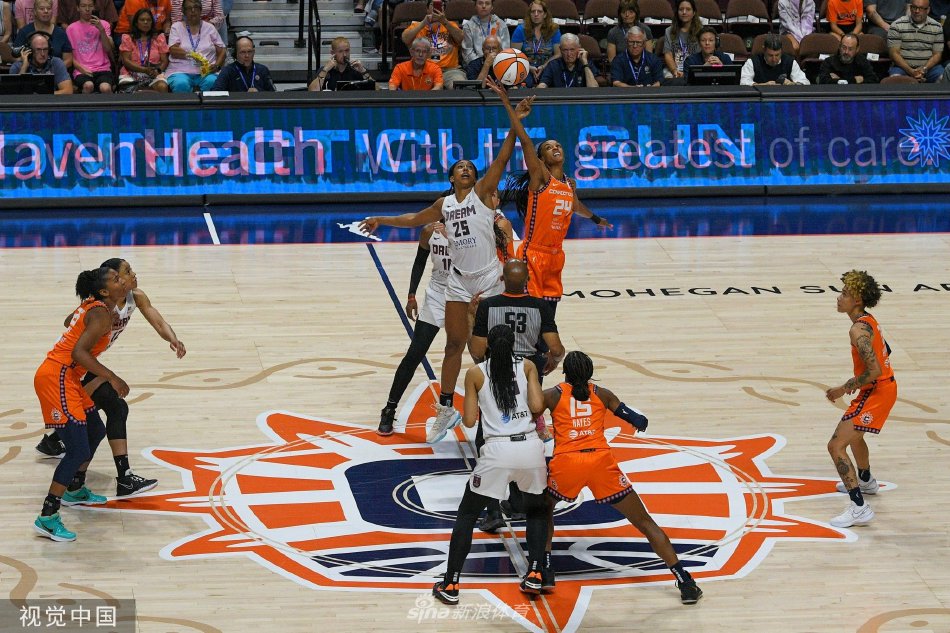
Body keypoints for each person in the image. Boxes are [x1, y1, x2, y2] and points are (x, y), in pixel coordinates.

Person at [360, 82, 532, 444]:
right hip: (455, 281)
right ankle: (445, 408)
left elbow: (503, 156)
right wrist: (381, 220)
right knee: (453, 345)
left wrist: (510, 110)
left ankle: (503, 413)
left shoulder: (485, 193)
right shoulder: (444, 205)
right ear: (452, 177)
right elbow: (414, 219)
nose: (467, 169)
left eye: (471, 166)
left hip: (488, 280)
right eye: (461, 168)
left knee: (485, 351)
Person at [541, 350, 703, 604]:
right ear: (591, 373)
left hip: (568, 462)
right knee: (644, 521)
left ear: (566, 373)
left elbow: (529, 411)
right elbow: (636, 419)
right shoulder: (602, 395)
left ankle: (546, 570)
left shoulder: (552, 395)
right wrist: (638, 420)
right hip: (601, 463)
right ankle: (685, 581)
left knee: (543, 511)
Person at [37, 259, 185, 498]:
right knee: (115, 408)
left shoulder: (134, 297)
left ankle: (57, 444)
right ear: (108, 286)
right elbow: (71, 326)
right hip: (75, 367)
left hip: (84, 366)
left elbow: (157, 320)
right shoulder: (100, 309)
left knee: (93, 423)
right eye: (124, 273)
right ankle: (123, 478)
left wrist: (173, 339)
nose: (132, 274)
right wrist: (96, 320)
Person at [431, 324, 548, 604]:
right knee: (536, 511)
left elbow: (470, 421)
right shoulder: (528, 366)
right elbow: (537, 405)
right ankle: (535, 573)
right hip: (530, 448)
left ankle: (450, 584)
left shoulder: (475, 373)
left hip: (497, 450)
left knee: (468, 515)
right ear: (514, 345)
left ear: (489, 347)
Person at [377, 208, 514, 436]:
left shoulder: (474, 233)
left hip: (467, 294)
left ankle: (495, 414)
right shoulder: (429, 231)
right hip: (439, 293)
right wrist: (411, 295)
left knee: (481, 355)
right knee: (416, 352)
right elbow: (419, 262)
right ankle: (390, 409)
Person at [32, 268, 130, 542]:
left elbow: (69, 322)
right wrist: (111, 377)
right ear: (103, 292)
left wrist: (84, 312)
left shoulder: (96, 307)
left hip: (68, 377)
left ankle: (75, 489)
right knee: (76, 450)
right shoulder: (100, 312)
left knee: (95, 430)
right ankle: (48, 516)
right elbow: (78, 352)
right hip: (57, 377)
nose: (122, 280)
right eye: (115, 279)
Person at [468, 259, 566, 533]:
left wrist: (469, 318)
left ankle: (493, 510)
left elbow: (477, 352)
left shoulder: (488, 306)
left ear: (502, 279)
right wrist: (552, 361)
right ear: (527, 281)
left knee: (489, 436)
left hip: (496, 377)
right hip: (528, 376)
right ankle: (518, 499)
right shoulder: (540, 306)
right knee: (524, 433)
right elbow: (556, 348)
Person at [501, 94, 611, 310]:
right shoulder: (541, 176)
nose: (556, 148)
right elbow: (525, 143)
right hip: (533, 254)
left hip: (556, 255)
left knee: (549, 316)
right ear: (541, 159)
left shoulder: (570, 183)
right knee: (533, 316)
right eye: (549, 147)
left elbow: (575, 206)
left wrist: (596, 219)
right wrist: (514, 113)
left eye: (558, 145)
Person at [824, 270, 896, 528]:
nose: (839, 297)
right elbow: (886, 352)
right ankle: (865, 480)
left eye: (845, 294)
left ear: (857, 300)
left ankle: (858, 508)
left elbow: (874, 370)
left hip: (877, 391)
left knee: (836, 446)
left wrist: (843, 388)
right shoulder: (868, 320)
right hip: (880, 388)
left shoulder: (858, 330)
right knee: (855, 435)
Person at [401, 0, 466, 88]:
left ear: (444, 10)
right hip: (425, 69)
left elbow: (460, 39)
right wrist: (423, 23)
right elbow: (405, 39)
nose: (436, 7)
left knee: (460, 87)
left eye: (440, 5)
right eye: (433, 4)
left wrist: (445, 22)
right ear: (427, 9)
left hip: (450, 71)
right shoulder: (418, 26)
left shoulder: (451, 25)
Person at [165, 0, 225, 92]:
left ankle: (206, 107)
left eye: (196, 8)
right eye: (189, 8)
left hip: (206, 71)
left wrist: (217, 65)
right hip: (180, 70)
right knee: (181, 83)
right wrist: (191, 54)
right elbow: (173, 50)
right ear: (183, 11)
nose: (193, 11)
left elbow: (222, 50)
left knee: (212, 81)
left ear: (201, 11)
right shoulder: (176, 27)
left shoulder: (210, 27)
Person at [887, 0, 943, 82]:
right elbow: (894, 54)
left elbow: (937, 55)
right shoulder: (897, 25)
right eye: (914, 7)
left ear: (927, 10)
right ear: (910, 8)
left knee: (943, 78)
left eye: (921, 8)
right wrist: (911, 71)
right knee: (895, 78)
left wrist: (924, 69)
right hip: (902, 68)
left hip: (930, 69)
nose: (917, 11)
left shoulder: (937, 27)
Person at [66, 0, 115, 94]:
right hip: (82, 69)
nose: (87, 9)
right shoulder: (71, 28)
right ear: (78, 8)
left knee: (105, 88)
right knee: (88, 86)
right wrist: (81, 68)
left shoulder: (104, 24)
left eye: (90, 6)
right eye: (84, 6)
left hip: (103, 68)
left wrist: (101, 30)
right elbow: (69, 56)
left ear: (94, 7)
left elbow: (108, 49)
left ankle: (109, 109)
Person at [117, 8, 170, 93]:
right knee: (126, 88)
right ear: (136, 23)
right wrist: (144, 70)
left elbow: (165, 61)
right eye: (142, 20)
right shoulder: (128, 38)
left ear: (152, 23)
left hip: (153, 73)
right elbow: (126, 61)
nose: (146, 22)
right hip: (131, 73)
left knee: (162, 86)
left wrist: (158, 70)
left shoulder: (159, 38)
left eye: (148, 20)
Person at [511, 0, 562, 86]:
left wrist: (544, 66)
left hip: (547, 66)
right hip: (525, 66)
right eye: (533, 11)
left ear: (545, 14)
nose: (536, 14)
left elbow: (558, 54)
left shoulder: (554, 30)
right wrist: (528, 67)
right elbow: (515, 54)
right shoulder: (520, 30)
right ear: (529, 14)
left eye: (539, 11)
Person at [13, 0, 73, 67]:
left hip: (55, 74)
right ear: (34, 12)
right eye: (42, 9)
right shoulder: (24, 32)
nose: (46, 11)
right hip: (30, 74)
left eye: (49, 8)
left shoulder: (60, 33)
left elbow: (69, 60)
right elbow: (16, 58)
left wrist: (52, 70)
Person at [10, 31, 74, 94]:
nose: (43, 54)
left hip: (49, 102)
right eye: (38, 49)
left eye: (45, 49)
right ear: (30, 51)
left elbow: (68, 90)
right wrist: (24, 67)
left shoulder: (56, 63)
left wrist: (42, 97)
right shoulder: (17, 67)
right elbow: (15, 94)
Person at [740, 33, 809, 85]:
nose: (774, 59)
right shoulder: (752, 62)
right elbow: (743, 82)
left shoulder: (790, 62)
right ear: (764, 50)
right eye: (770, 55)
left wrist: (792, 84)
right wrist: (763, 85)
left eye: (777, 55)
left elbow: (805, 82)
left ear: (781, 51)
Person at [211, 36, 275, 91]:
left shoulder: (262, 70)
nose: (247, 55)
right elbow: (215, 92)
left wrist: (259, 93)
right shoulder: (228, 71)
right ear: (235, 53)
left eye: (249, 51)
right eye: (243, 52)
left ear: (254, 52)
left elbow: (273, 95)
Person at [308, 36, 373, 91]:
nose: (345, 55)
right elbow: (313, 91)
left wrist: (363, 71)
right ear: (332, 53)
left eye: (347, 50)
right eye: (340, 51)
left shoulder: (357, 70)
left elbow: (377, 90)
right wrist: (325, 70)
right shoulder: (325, 71)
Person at [662, 0, 702, 82]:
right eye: (681, 9)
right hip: (673, 69)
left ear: (694, 12)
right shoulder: (669, 31)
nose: (684, 12)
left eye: (688, 9)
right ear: (677, 12)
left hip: (694, 69)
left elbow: (702, 55)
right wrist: (674, 70)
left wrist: (690, 72)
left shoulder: (701, 31)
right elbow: (668, 54)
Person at [461, 0, 509, 65]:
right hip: (476, 65)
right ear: (475, 6)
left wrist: (494, 63)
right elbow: (468, 53)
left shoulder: (501, 24)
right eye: (480, 3)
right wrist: (483, 64)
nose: (483, 6)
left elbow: (505, 50)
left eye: (487, 3)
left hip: (498, 64)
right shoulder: (468, 26)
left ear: (492, 7)